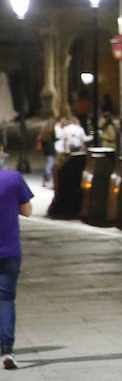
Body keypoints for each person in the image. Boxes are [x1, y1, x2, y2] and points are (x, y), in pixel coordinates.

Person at [0, 151, 35, 369]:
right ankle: (7, 351)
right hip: (10, 250)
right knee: (5, 300)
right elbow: (27, 211)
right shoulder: (13, 179)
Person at [37, 118, 57, 187]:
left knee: (48, 163)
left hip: (46, 151)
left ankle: (44, 181)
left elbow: (41, 142)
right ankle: (49, 177)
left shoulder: (44, 132)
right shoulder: (53, 131)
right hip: (52, 150)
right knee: (51, 164)